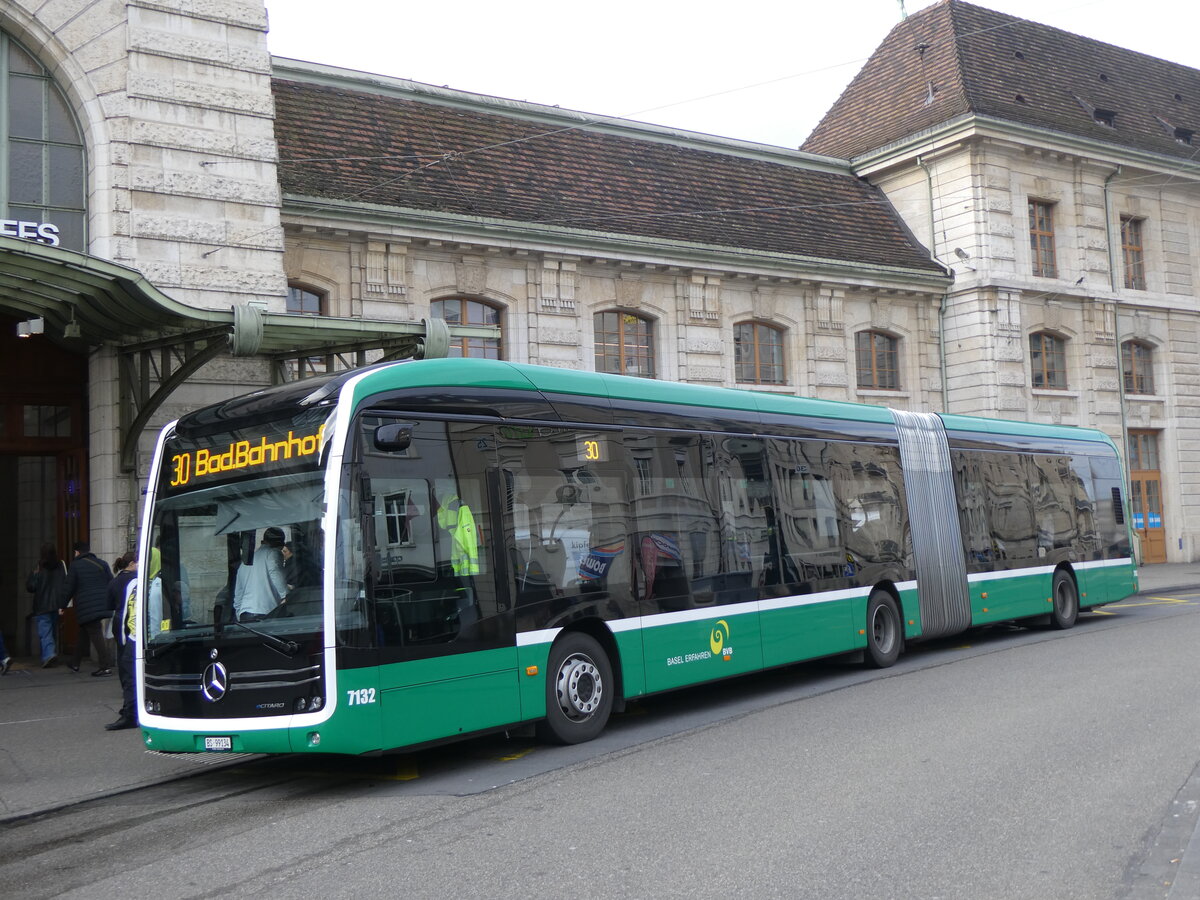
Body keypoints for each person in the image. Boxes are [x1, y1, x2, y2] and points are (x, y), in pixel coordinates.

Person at [61, 540, 114, 676]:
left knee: (95, 632)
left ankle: (105, 665)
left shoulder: (75, 565)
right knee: (84, 632)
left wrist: (62, 605)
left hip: (87, 606)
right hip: (102, 603)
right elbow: (111, 582)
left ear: (77, 552)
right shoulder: (102, 564)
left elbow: (68, 588)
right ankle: (75, 663)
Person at [106, 550, 141, 731]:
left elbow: (110, 605)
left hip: (123, 631)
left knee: (127, 674)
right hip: (131, 631)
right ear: (133, 563)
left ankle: (131, 711)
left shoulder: (115, 582)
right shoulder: (136, 581)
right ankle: (132, 710)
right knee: (132, 674)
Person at [25, 542, 66, 667]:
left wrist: (34, 573)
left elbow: (31, 587)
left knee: (45, 632)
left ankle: (49, 655)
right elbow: (65, 584)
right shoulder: (61, 565)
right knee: (52, 632)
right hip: (56, 604)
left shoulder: (40, 567)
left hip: (42, 606)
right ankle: (49, 655)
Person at [233, 527, 287, 621]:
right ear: (279, 544)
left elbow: (238, 593)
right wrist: (286, 596)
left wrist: (239, 614)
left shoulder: (245, 562)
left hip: (245, 614)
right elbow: (274, 571)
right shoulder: (273, 553)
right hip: (265, 613)